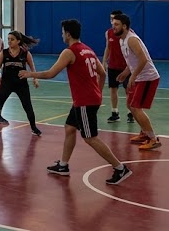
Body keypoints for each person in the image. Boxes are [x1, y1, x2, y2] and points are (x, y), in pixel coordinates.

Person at [20, 19, 133, 185]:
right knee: (70, 128)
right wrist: (98, 92)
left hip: (85, 101)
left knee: (90, 138)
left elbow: (51, 73)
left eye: (62, 32)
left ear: (68, 33)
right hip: (87, 99)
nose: (61, 35)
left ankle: (119, 168)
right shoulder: (88, 50)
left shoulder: (69, 52)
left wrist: (30, 74)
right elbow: (102, 73)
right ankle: (63, 165)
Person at [112, 13, 162, 150]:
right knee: (130, 105)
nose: (113, 27)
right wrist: (125, 73)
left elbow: (143, 59)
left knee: (135, 107)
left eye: (116, 24)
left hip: (147, 77)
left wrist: (132, 77)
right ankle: (144, 133)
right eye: (112, 24)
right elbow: (132, 61)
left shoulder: (131, 39)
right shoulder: (121, 41)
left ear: (125, 26)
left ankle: (153, 138)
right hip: (139, 76)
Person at [0, 31, 41, 137]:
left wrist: (35, 79)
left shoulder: (25, 53)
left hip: (21, 84)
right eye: (8, 39)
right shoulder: (4, 53)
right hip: (6, 83)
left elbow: (32, 68)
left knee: (27, 106)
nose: (9, 41)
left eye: (12, 39)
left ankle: (34, 128)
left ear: (18, 41)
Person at [102, 10, 131, 124]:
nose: (112, 22)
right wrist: (104, 61)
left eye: (115, 20)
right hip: (113, 66)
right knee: (113, 89)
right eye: (111, 20)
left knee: (128, 90)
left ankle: (131, 112)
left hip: (126, 67)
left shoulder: (129, 35)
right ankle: (115, 113)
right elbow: (108, 47)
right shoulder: (108, 33)